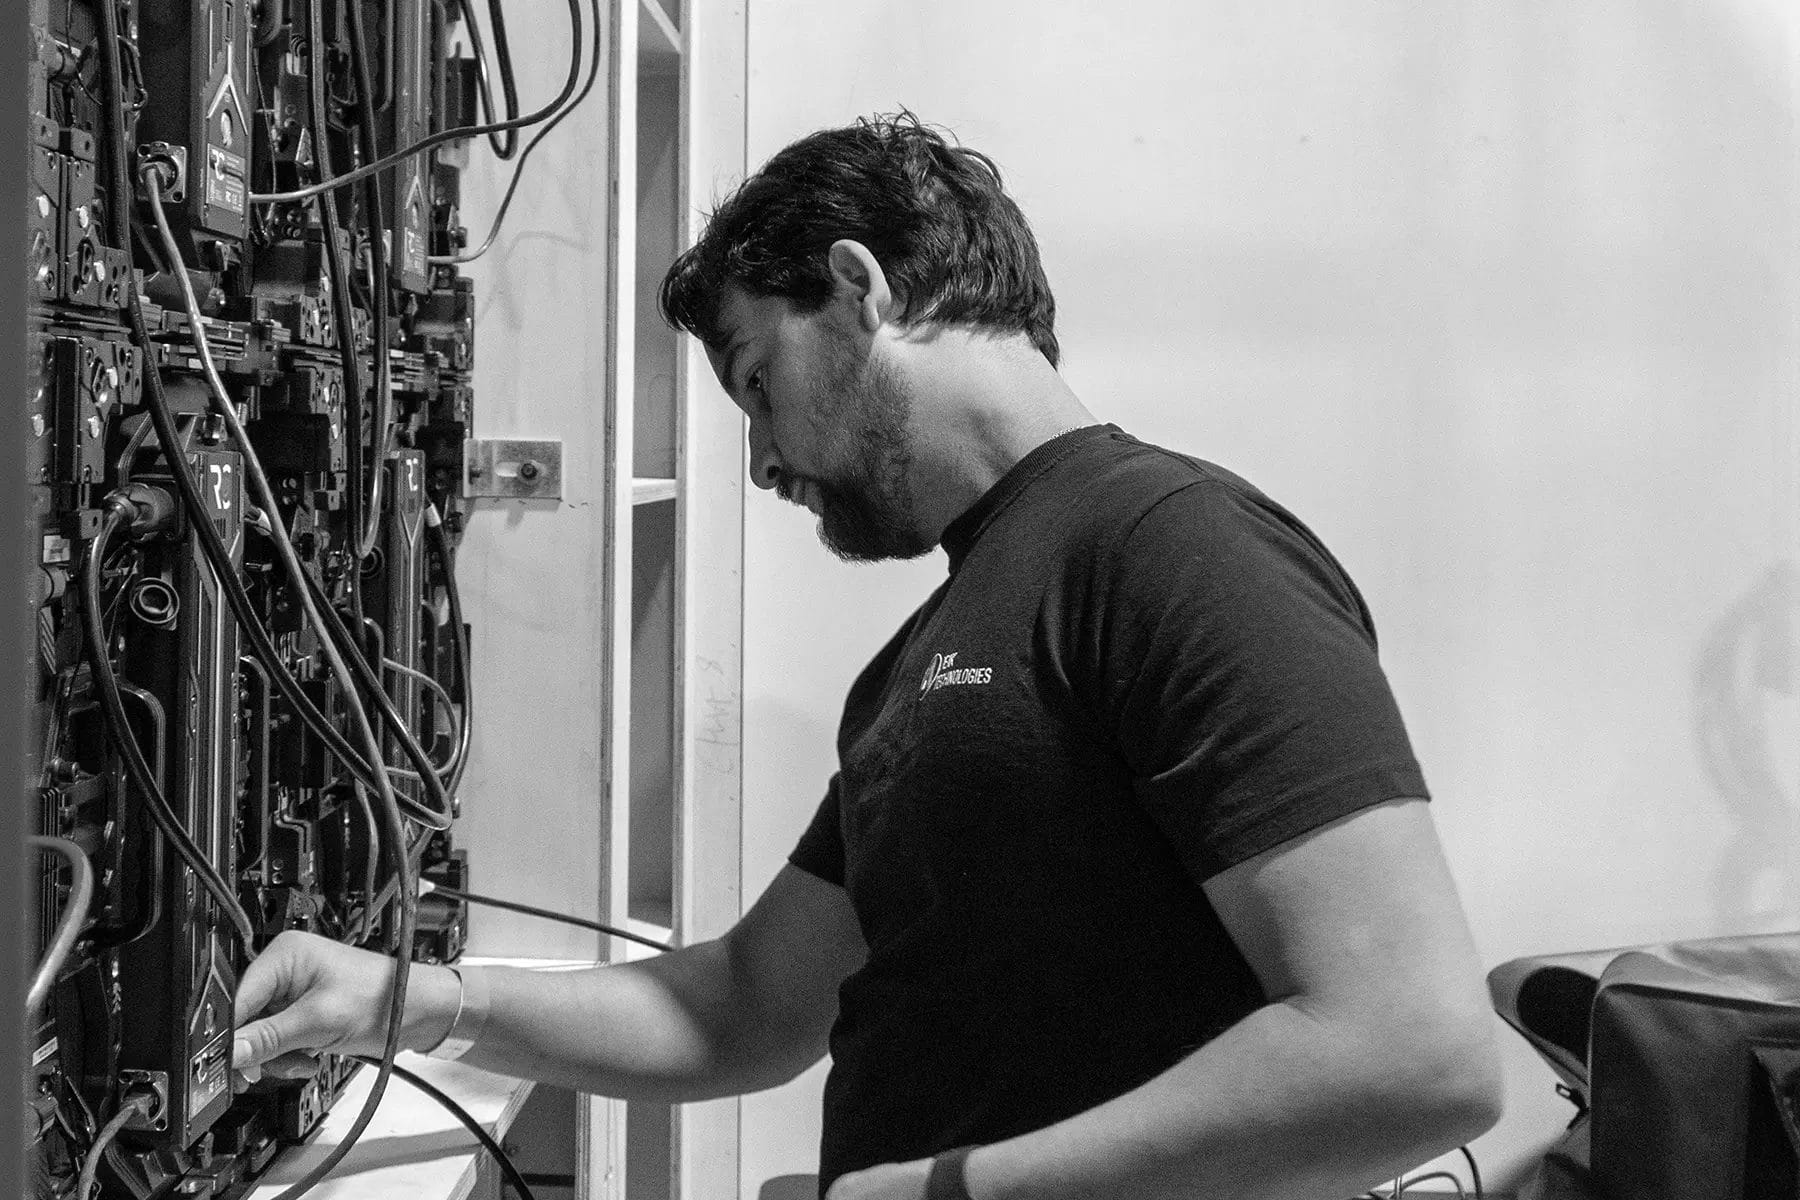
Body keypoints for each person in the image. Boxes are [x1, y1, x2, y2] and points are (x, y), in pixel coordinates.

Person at [233, 111, 1504, 1200]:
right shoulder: (933, 651)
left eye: (754, 378)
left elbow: (1412, 1053)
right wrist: (407, 1001)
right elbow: (743, 1007)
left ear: (861, 287)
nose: (763, 459)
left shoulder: (1171, 549)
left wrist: (954, 1190)